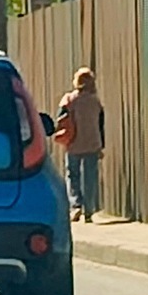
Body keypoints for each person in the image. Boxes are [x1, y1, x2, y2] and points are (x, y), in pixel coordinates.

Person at [55, 67, 106, 222]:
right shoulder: (95, 101)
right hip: (92, 142)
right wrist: (101, 146)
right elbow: (101, 124)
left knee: (73, 174)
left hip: (73, 142)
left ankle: (76, 205)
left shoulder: (69, 99)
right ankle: (89, 210)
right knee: (90, 177)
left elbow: (60, 119)